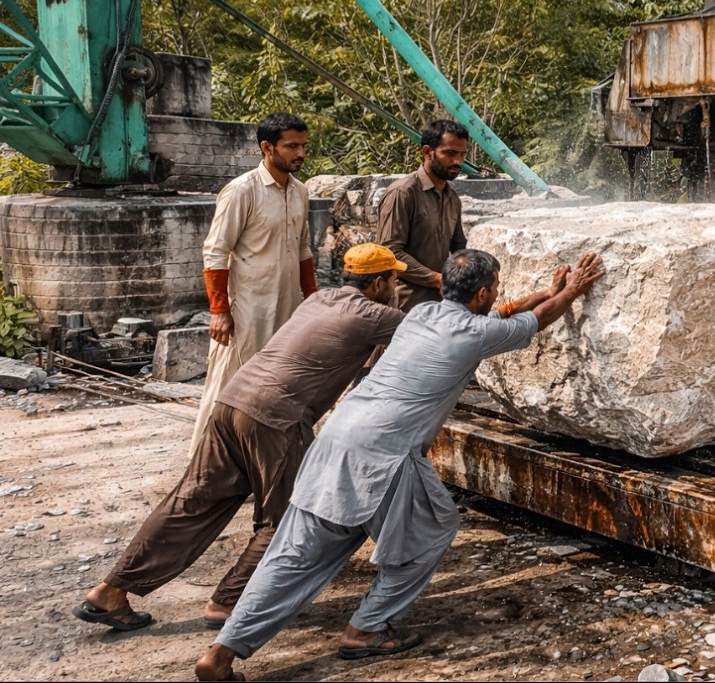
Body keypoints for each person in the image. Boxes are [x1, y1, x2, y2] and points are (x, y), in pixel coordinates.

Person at [195, 249, 606, 681]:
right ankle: (366, 629)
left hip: (337, 437)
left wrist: (548, 291)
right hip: (384, 452)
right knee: (433, 531)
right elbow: (536, 320)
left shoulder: (421, 313)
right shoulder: (473, 334)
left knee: (293, 554)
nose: (498, 295)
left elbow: (506, 313)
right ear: (482, 292)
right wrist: (572, 290)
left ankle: (221, 652)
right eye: (495, 289)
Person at [73, 244, 408, 633]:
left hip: (232, 401)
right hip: (276, 417)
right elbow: (438, 332)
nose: (397, 287)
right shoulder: (375, 314)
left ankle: (111, 591)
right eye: (395, 280)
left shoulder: (320, 300)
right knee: (284, 519)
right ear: (380, 282)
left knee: (192, 500)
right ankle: (229, 601)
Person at [191, 112, 317, 452]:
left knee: (278, 386)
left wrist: (313, 299)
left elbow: (304, 248)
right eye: (292, 146)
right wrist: (219, 311)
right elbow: (216, 253)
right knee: (227, 388)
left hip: (288, 306)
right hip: (247, 308)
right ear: (267, 147)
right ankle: (204, 463)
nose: (300, 153)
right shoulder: (241, 191)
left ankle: (260, 462)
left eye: (303, 146)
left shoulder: (301, 191)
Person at [378, 119, 470, 312]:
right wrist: (436, 279)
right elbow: (390, 252)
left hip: (439, 305)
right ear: (428, 152)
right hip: (404, 305)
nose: (458, 162)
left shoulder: (453, 199)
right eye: (450, 153)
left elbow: (459, 247)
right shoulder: (403, 193)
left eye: (462, 155)